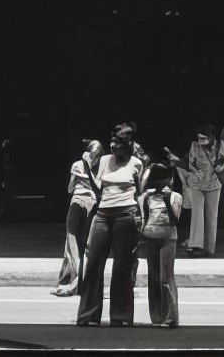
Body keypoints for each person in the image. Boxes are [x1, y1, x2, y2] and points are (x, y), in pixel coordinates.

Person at [76, 123, 144, 327]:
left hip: (126, 214)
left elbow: (140, 193)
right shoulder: (105, 160)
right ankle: (88, 314)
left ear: (129, 143)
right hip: (103, 214)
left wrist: (141, 221)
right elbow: (98, 190)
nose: (114, 146)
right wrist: (88, 168)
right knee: (93, 262)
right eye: (112, 142)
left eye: (119, 142)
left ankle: (120, 316)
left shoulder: (137, 164)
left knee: (122, 267)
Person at [52, 139, 103, 298]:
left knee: (72, 243)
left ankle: (76, 283)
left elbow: (69, 188)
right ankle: (67, 280)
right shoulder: (104, 165)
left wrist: (80, 177)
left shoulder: (77, 165)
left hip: (77, 202)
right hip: (93, 203)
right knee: (86, 244)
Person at [135, 163, 182, 328]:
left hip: (168, 239)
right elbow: (144, 217)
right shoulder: (146, 197)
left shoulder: (175, 196)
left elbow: (175, 220)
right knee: (153, 277)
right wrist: (140, 238)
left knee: (165, 277)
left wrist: (167, 201)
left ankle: (171, 317)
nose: (168, 182)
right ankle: (157, 316)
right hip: (150, 239)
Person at [178, 124, 224, 257]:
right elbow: (191, 162)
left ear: (211, 138)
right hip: (197, 184)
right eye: (199, 138)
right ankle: (196, 245)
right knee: (197, 215)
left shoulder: (219, 145)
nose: (200, 141)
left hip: (214, 183)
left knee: (211, 216)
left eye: (204, 139)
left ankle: (209, 247)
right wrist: (196, 171)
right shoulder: (194, 145)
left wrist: (218, 167)